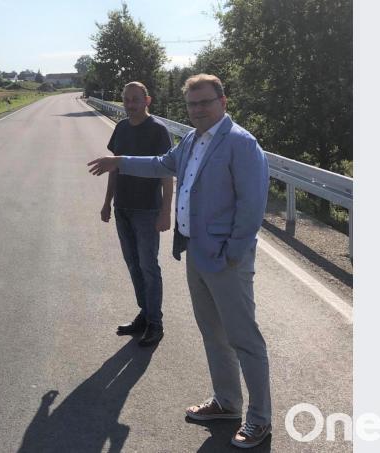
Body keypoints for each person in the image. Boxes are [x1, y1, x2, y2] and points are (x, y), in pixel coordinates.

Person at [87, 74, 272, 448]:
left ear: (223, 101)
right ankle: (226, 402)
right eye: (192, 104)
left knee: (244, 339)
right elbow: (161, 164)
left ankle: (259, 419)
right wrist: (119, 161)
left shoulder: (240, 143)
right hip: (197, 255)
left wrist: (234, 255)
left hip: (226, 260)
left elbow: (252, 207)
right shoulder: (190, 140)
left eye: (205, 102)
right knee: (213, 333)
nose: (198, 109)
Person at [102, 81, 174, 347]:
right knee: (133, 264)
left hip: (147, 210)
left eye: (135, 99)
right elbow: (114, 167)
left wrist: (166, 212)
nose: (130, 104)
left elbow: (167, 173)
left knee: (148, 266)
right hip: (123, 207)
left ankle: (156, 323)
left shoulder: (158, 131)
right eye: (126, 99)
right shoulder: (120, 128)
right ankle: (145, 314)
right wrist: (107, 202)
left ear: (147, 101)